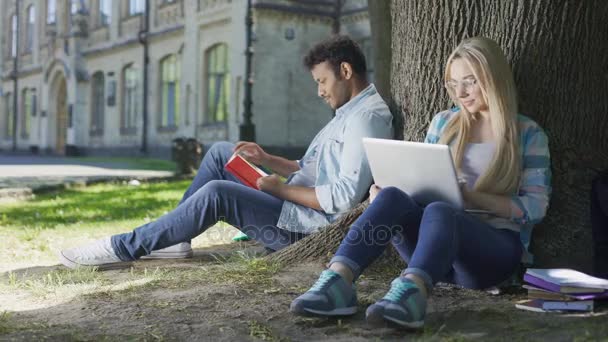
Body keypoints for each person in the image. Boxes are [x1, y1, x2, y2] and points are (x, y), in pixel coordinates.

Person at [59, 35, 394, 269]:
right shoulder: (347, 113)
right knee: (222, 152)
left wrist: (280, 188)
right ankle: (174, 238)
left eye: (322, 81)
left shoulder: (366, 119)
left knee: (219, 192)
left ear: (345, 72)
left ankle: (123, 247)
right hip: (292, 206)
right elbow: (307, 166)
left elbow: (342, 198)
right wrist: (266, 160)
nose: (319, 91)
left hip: (303, 230)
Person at [290, 37, 552, 329]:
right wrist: (386, 191)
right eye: (453, 84)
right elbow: (418, 181)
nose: (460, 92)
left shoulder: (527, 133)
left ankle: (410, 296)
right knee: (391, 196)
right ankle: (337, 281)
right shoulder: (443, 123)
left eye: (470, 81)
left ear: (493, 77)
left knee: (442, 210)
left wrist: (471, 197)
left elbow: (535, 207)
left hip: (492, 255)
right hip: (435, 252)